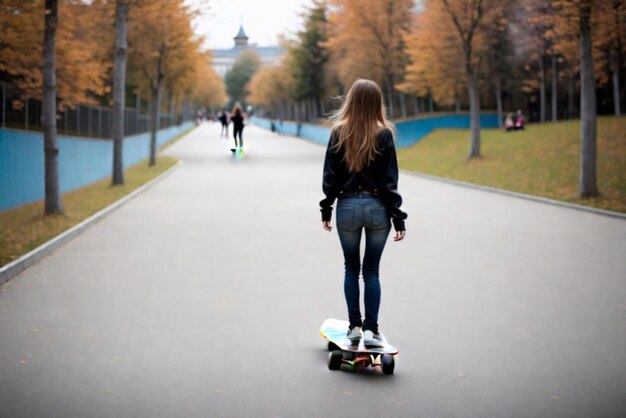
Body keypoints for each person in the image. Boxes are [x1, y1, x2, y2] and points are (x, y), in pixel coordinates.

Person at [319, 79, 407, 348]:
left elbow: (330, 177)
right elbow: (389, 180)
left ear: (351, 101)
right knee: (371, 271)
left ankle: (354, 326)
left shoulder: (338, 133)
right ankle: (371, 330)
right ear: (376, 103)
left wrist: (327, 207)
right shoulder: (384, 135)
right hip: (377, 208)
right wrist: (398, 216)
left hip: (346, 208)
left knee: (351, 268)